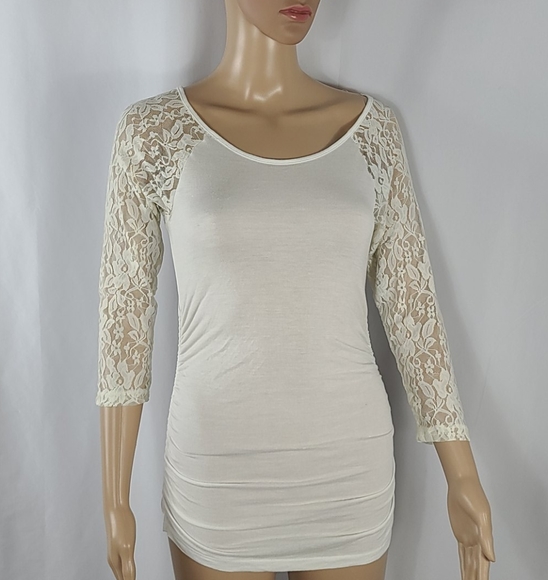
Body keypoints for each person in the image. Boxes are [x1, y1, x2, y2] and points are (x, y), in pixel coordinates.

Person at [96, 1, 495, 579]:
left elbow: (413, 308)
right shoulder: (152, 132)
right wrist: (115, 498)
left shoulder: (373, 132)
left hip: (349, 471)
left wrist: (462, 472)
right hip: (217, 472)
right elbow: (123, 320)